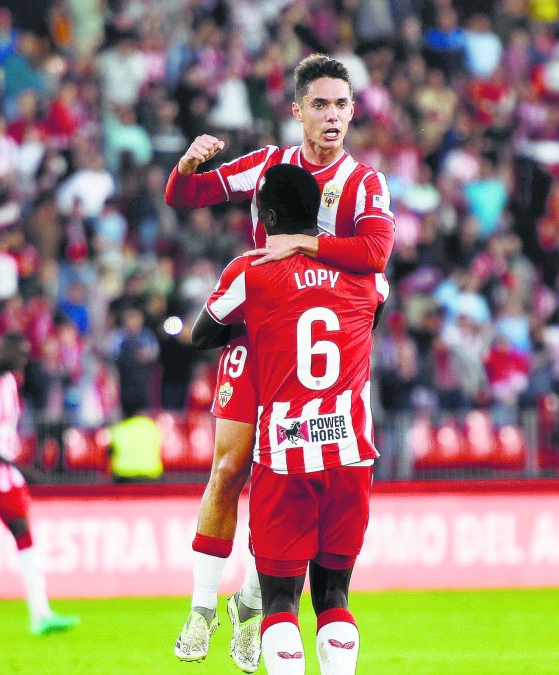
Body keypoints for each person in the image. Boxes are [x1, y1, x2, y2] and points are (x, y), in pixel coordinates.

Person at [165, 54, 394, 671]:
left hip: (324, 343)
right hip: (258, 330)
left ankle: (257, 597)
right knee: (231, 466)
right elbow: (187, 194)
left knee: (290, 469)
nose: (333, 117)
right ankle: (203, 605)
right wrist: (187, 164)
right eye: (320, 104)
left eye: (342, 105)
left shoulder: (365, 182)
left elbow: (376, 250)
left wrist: (301, 244)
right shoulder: (269, 165)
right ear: (297, 111)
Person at [192, 164, 386, 675]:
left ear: (268, 215)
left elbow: (202, 333)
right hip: (350, 452)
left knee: (280, 601)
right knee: (335, 595)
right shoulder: (365, 276)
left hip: (285, 453)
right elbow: (376, 306)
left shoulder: (251, 272)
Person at [0, 333, 79, 639]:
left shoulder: (9, 384)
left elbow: (5, 431)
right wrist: (19, 465)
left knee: (24, 534)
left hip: (5, 477)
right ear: (3, 350)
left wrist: (14, 466)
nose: (22, 361)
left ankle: (41, 614)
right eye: (18, 354)